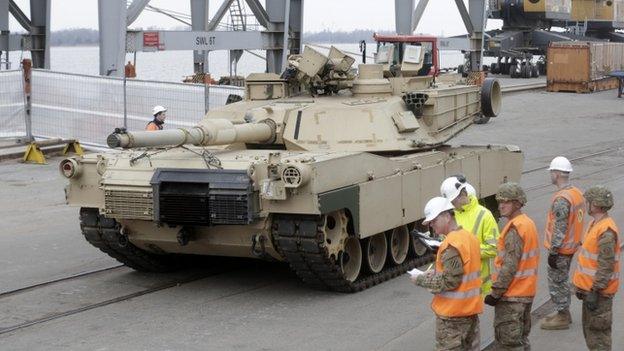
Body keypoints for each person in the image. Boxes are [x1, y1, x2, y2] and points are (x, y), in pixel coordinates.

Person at [412, 196, 483, 351]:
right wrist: (434, 275)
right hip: (470, 313)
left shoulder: (452, 245)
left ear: (446, 216)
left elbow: (449, 281)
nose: (431, 225)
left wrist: (420, 279)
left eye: (434, 221)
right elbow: (463, 273)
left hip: (452, 318)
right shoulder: (469, 238)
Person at [484, 183, 539, 350]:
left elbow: (509, 266)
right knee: (521, 340)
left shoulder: (515, 229)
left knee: (509, 344)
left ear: (517, 203)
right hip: (525, 293)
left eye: (506, 202)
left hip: (512, 296)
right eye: (500, 201)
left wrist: (495, 293)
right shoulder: (527, 223)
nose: (501, 205)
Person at [540, 156, 586, 330]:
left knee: (557, 282)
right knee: (562, 280)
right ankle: (562, 312)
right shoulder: (576, 193)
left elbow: (560, 227)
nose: (550, 175)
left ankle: (563, 315)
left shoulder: (562, 198)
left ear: (557, 174)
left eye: (552, 172)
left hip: (561, 249)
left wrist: (553, 251)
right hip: (571, 246)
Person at [573, 186, 619, 351]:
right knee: (592, 335)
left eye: (588, 201)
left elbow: (605, 266)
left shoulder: (605, 231)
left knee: (598, 340)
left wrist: (595, 290)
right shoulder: (595, 224)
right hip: (591, 292)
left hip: (599, 295)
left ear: (596, 204)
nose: (586, 204)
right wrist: (582, 287)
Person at [441, 176, 499, 295]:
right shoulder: (452, 216)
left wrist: (465, 251)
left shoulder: (485, 215)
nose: (451, 205)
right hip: (457, 282)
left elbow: (494, 248)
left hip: (479, 285)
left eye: (453, 201)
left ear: (463, 194)